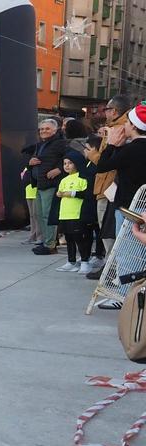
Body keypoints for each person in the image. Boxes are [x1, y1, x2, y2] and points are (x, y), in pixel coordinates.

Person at [94, 102, 146, 310]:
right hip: (143, 207)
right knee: (141, 253)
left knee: (126, 252)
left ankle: (125, 297)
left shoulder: (131, 149)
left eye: (126, 122)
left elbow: (103, 166)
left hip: (128, 208)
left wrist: (112, 144)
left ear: (133, 125)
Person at [86, 94, 134, 280]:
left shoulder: (118, 129)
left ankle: (112, 268)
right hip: (107, 186)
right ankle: (111, 266)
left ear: (114, 111)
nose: (104, 112)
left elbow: (110, 162)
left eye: (106, 109)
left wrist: (92, 155)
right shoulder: (115, 127)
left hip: (110, 187)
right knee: (108, 229)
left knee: (109, 230)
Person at [51, 150, 98, 274]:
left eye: (70, 163)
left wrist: (71, 193)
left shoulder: (83, 177)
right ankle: (71, 261)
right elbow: (59, 192)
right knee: (69, 238)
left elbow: (86, 194)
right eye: (65, 163)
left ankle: (84, 261)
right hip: (65, 214)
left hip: (78, 214)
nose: (66, 166)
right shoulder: (64, 179)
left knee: (81, 239)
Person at [28, 118, 67, 255]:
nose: (43, 131)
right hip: (39, 184)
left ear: (55, 130)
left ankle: (50, 244)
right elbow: (35, 159)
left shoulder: (61, 143)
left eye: (47, 128)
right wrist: (31, 162)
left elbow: (74, 157)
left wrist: (59, 169)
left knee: (47, 215)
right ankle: (46, 242)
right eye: (42, 129)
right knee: (39, 215)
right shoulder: (41, 144)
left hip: (50, 185)